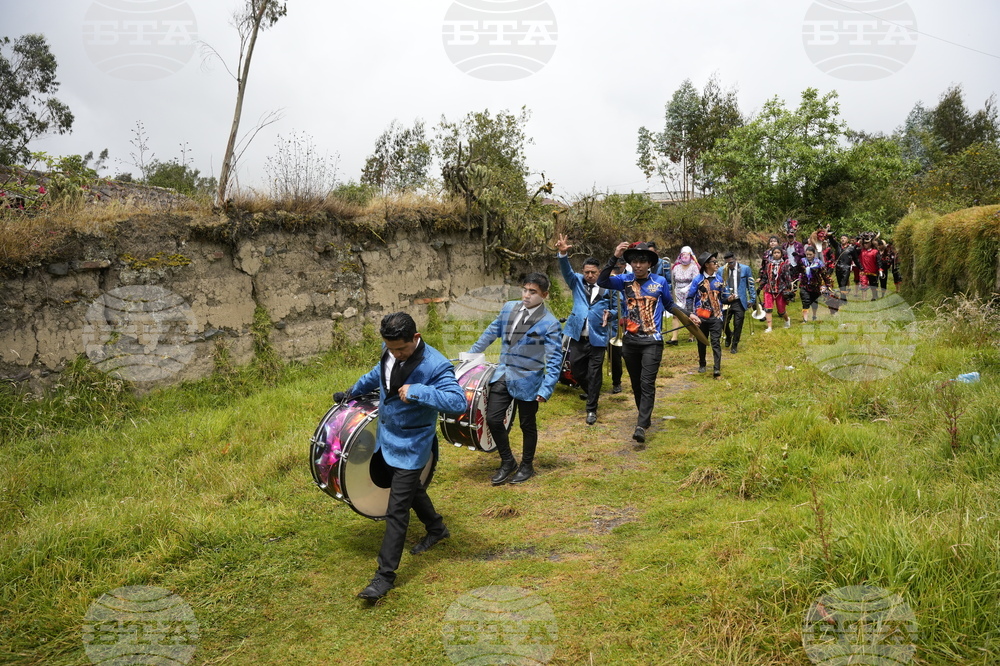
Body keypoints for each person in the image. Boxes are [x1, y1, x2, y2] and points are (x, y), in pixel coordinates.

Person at [341, 312, 468, 602]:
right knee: (409, 489)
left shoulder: (436, 365)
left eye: (401, 349)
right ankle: (437, 528)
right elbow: (378, 375)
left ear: (416, 337)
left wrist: (419, 391)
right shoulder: (390, 350)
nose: (396, 354)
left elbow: (458, 401)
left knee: (396, 510)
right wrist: (351, 392)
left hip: (412, 447)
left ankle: (384, 577)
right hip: (386, 440)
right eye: (391, 348)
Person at [468, 273, 562, 485]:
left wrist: (546, 389)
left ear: (544, 295)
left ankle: (527, 465)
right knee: (493, 419)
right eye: (525, 290)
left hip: (529, 381)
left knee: (527, 425)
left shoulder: (550, 323)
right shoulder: (509, 308)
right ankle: (507, 461)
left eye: (533, 292)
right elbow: (491, 332)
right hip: (503, 374)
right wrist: (471, 355)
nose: (526, 295)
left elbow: (554, 360)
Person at [597, 242, 675, 449]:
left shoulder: (659, 282)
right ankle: (644, 416)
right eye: (634, 261)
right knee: (636, 383)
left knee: (647, 382)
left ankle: (640, 425)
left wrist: (688, 316)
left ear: (649, 264)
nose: (638, 265)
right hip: (630, 341)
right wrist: (615, 256)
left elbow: (669, 304)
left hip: (652, 341)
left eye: (642, 261)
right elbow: (602, 280)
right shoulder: (624, 280)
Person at [555, 234, 610, 425]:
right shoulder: (576, 281)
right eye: (587, 272)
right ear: (583, 272)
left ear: (599, 272)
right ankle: (591, 391)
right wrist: (563, 254)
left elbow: (617, 307)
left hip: (598, 337)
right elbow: (566, 271)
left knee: (594, 373)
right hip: (577, 336)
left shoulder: (607, 287)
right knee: (577, 372)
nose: (590, 275)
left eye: (593, 272)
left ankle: (591, 409)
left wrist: (610, 314)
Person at [687, 252, 728, 378]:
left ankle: (717, 368)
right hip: (701, 317)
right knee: (701, 341)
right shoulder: (697, 280)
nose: (717, 264)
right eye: (714, 262)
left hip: (716, 316)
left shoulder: (719, 279)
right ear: (706, 265)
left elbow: (723, 297)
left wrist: (729, 298)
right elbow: (690, 297)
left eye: (716, 262)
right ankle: (702, 363)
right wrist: (691, 313)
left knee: (716, 342)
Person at [718, 251, 755, 354]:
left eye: (731, 263)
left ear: (735, 260)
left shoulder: (745, 269)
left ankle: (734, 345)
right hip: (727, 300)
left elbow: (751, 284)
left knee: (738, 324)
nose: (729, 265)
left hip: (739, 300)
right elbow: (719, 285)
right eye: (727, 263)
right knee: (722, 321)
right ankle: (729, 335)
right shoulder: (721, 270)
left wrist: (752, 299)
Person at [669, 246, 699, 346]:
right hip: (678, 293)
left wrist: (687, 288)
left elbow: (695, 280)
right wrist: (672, 292)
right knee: (676, 314)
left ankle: (691, 335)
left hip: (690, 293)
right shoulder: (676, 267)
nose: (684, 256)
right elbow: (672, 280)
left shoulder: (694, 266)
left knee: (690, 314)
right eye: (683, 254)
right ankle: (674, 338)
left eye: (686, 254)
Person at [759, 246, 792, 332]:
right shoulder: (768, 265)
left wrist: (789, 290)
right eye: (775, 253)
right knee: (768, 308)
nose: (776, 254)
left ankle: (787, 320)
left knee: (781, 310)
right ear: (772, 254)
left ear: (781, 254)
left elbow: (788, 279)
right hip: (769, 289)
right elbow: (765, 278)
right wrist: (759, 288)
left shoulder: (784, 265)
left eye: (778, 253)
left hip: (780, 290)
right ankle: (769, 327)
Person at [796, 246, 832, 322]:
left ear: (814, 254)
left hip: (815, 285)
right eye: (807, 254)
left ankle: (814, 315)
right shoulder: (802, 261)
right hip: (804, 284)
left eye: (810, 254)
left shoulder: (819, 263)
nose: (808, 256)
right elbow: (798, 270)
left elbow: (824, 274)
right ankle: (805, 319)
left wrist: (828, 284)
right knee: (805, 301)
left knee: (814, 302)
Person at [606, 259, 626, 394]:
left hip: (612, 327)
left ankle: (616, 382)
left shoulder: (616, 287)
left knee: (615, 357)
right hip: (598, 327)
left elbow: (620, 307)